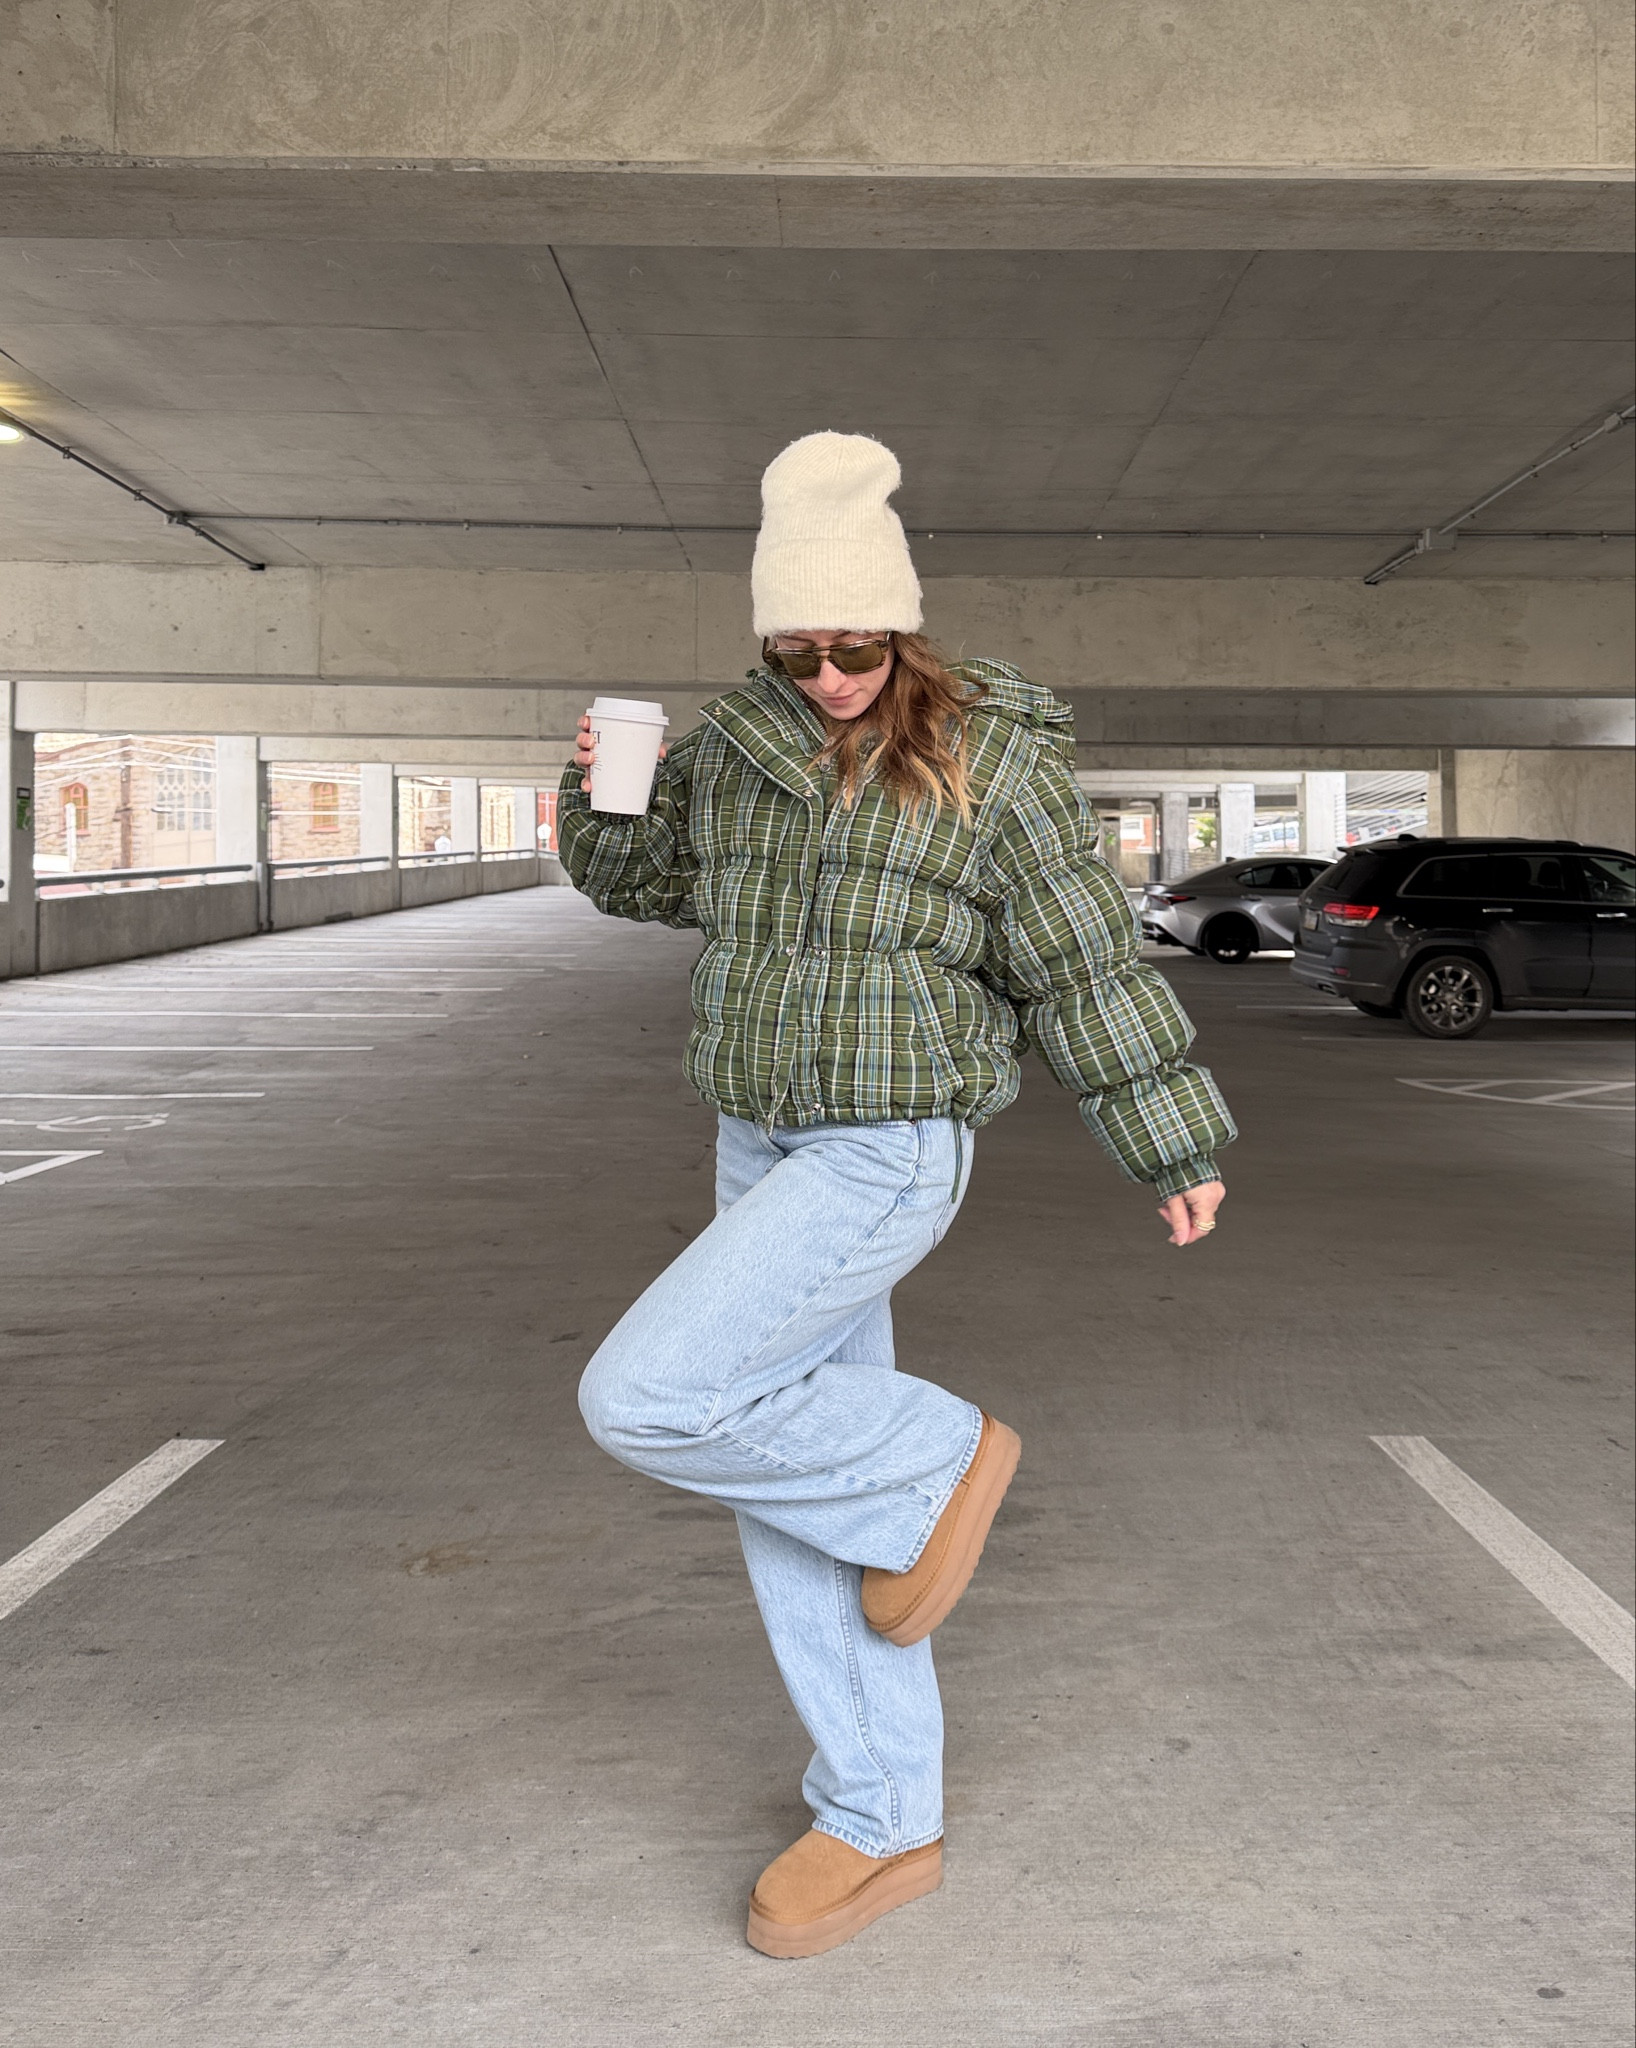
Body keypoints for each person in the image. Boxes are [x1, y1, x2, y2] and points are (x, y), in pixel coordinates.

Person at [557, 431, 1234, 1959]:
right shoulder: (740, 751)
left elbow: (1077, 957)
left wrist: (1171, 1137)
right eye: (797, 652)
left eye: (855, 648)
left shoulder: (993, 760)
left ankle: (939, 1460)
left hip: (886, 1144)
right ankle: (880, 1815)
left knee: (652, 1399)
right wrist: (597, 797)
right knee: (781, 1488)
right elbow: (659, 885)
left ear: (902, 628)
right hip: (756, 1135)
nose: (831, 679)